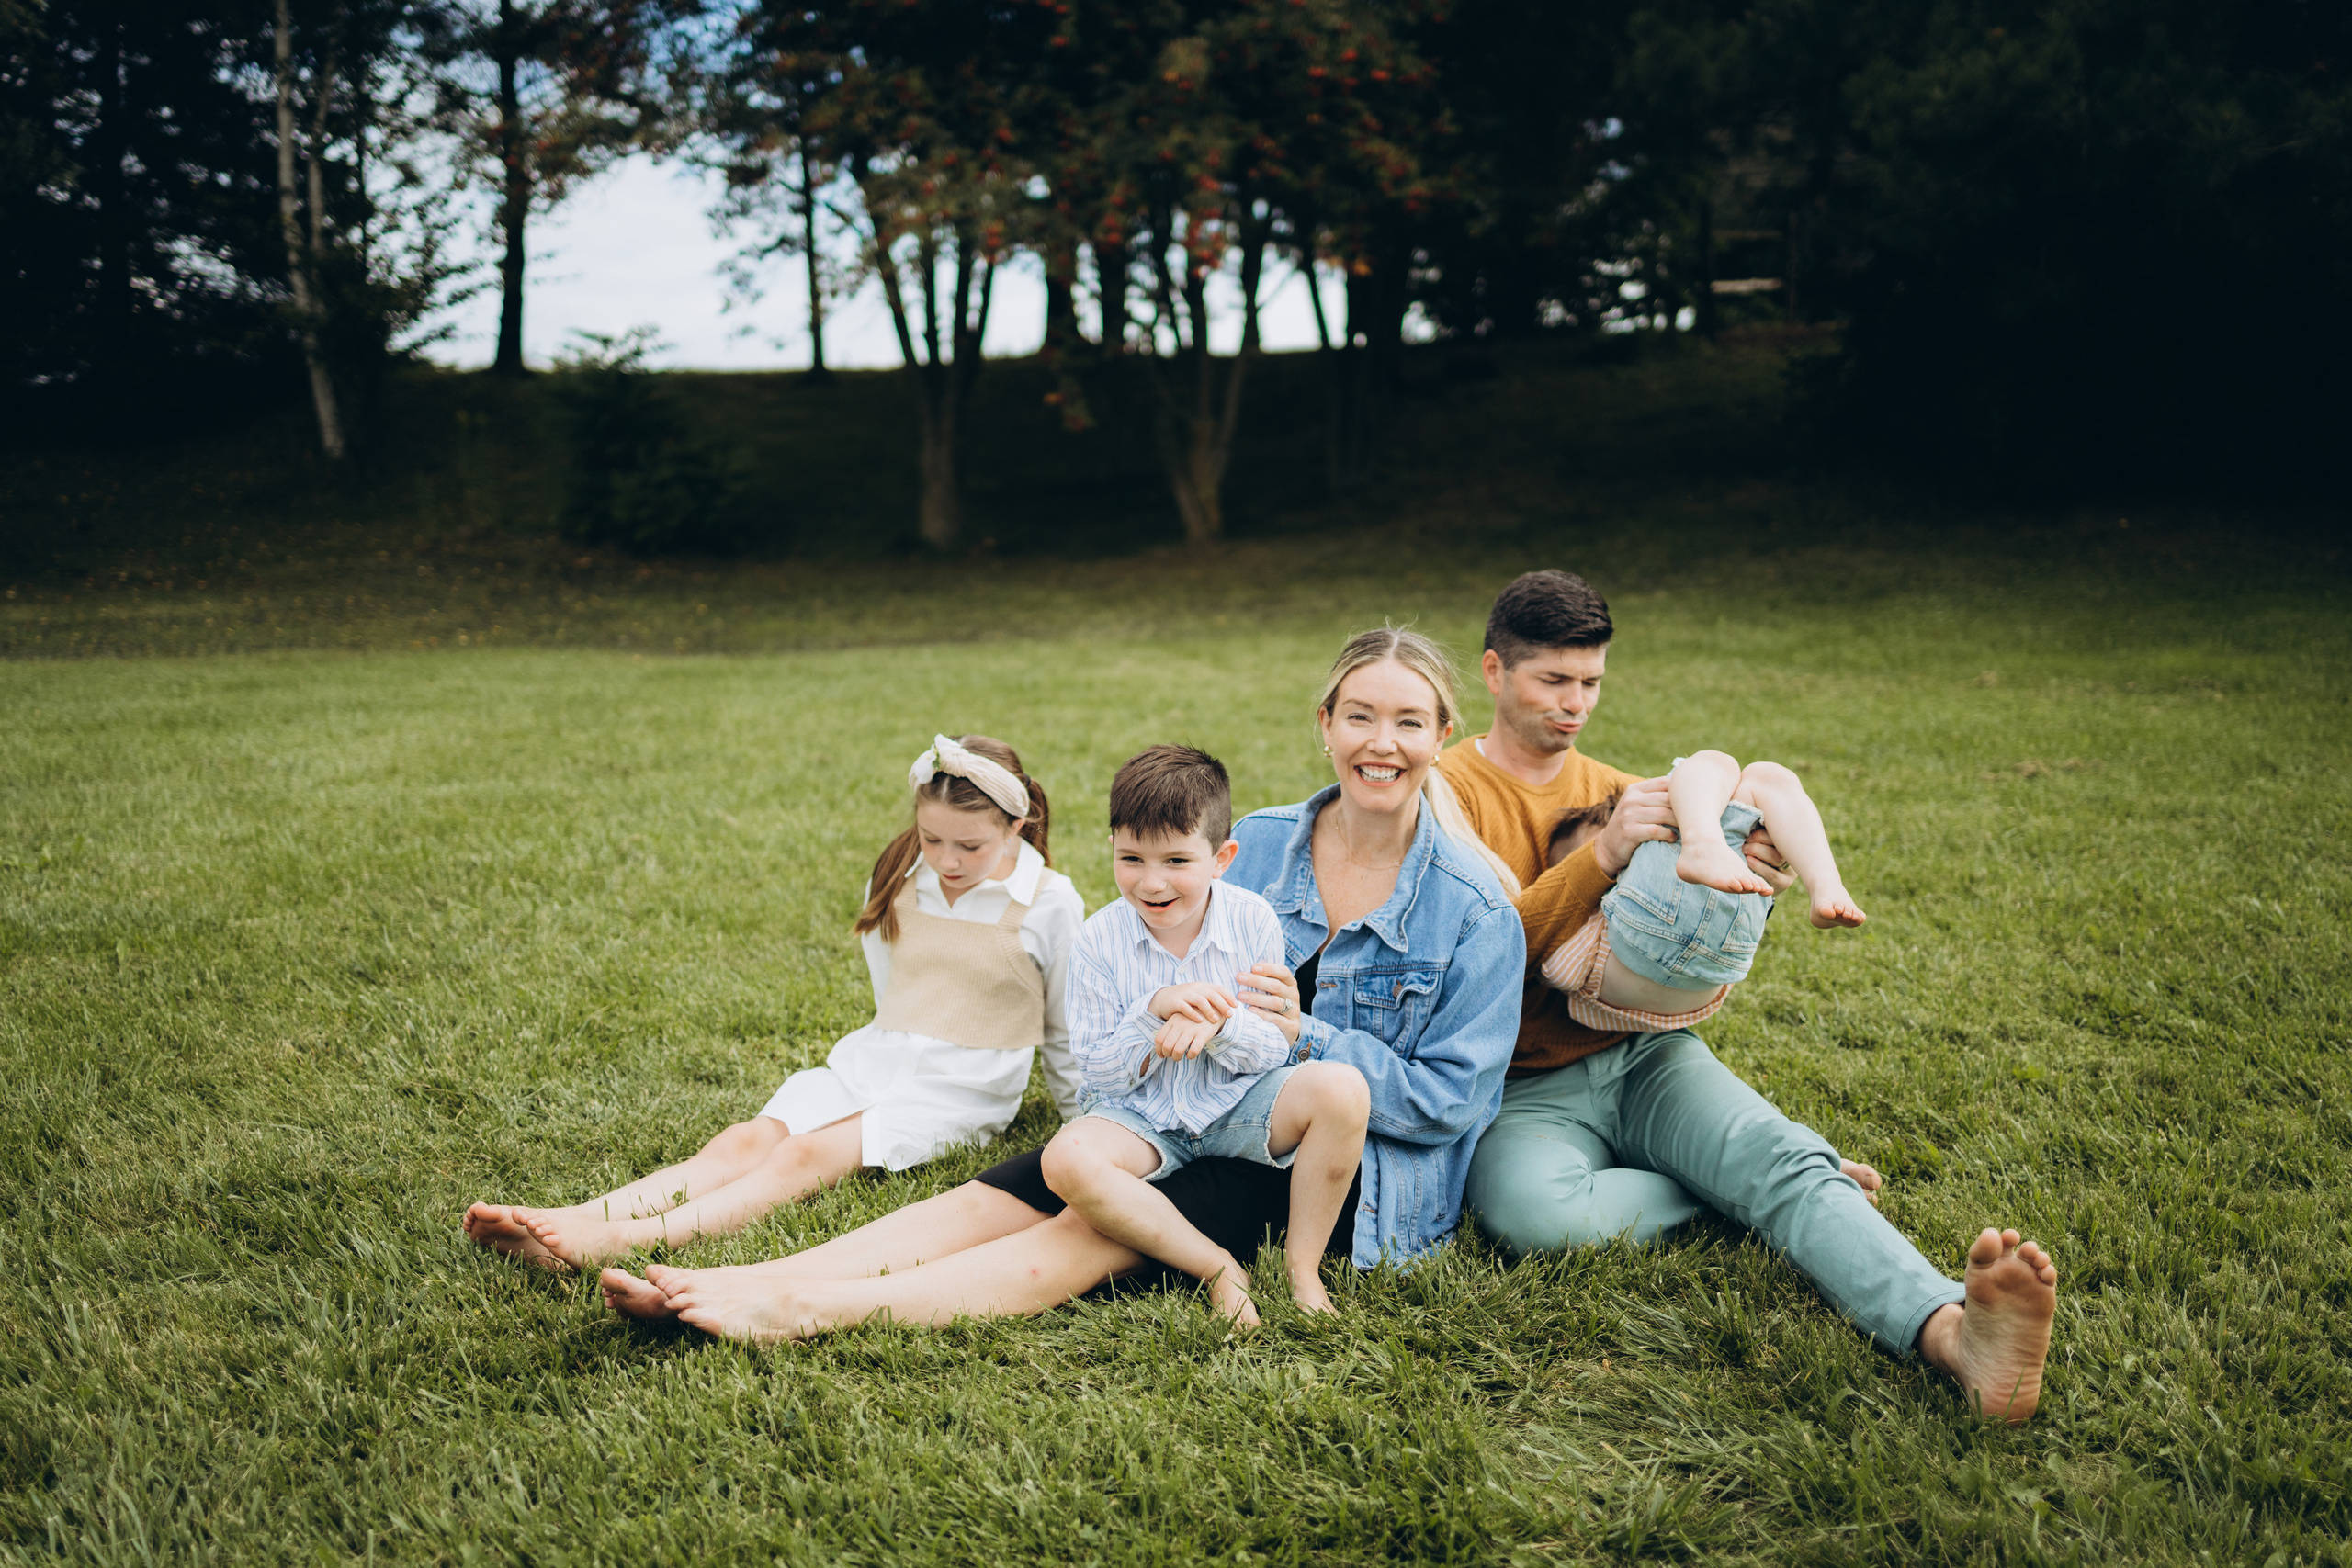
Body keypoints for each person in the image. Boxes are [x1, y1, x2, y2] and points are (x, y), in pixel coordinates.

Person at [593, 627, 1524, 1339]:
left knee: (1083, 1232)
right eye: (1359, 715)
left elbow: (1449, 1103)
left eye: (1408, 720)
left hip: (1323, 1152)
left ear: (1444, 735)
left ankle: (797, 1309)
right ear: (1325, 726)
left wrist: (1306, 1033)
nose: (1381, 741)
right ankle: (745, 1275)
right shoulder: (1261, 842)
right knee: (1017, 1183)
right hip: (1178, 1096)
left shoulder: (1476, 908)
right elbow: (1158, 962)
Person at [1440, 570, 2059, 1424]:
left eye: (1591, 682)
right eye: (1553, 680)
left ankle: (1958, 1335)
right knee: (1533, 1215)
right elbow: (1477, 958)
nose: (1574, 703)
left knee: (1772, 1156)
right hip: (1519, 1086)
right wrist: (1605, 852)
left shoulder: (1628, 785)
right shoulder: (1447, 792)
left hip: (1646, 1055)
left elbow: (1678, 960)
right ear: (1494, 672)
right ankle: (1745, 1184)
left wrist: (1747, 877)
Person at [461, 734, 1084, 1270]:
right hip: (874, 1061)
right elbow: (891, 986)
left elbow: (1062, 1026)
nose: (946, 859)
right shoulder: (899, 873)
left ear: (1016, 826)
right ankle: (567, 1218)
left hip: (963, 1089)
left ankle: (617, 1240)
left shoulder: (1051, 902)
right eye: (931, 838)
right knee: (743, 1140)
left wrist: (1082, 1120)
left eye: (969, 847)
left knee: (804, 1155)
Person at [1040, 746, 1371, 1325]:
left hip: (1237, 1103)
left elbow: (1274, 1044)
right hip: (1139, 1118)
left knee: (1343, 1088)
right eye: (1131, 858)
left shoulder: (1253, 920)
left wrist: (1220, 1026)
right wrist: (1151, 1015)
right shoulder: (1098, 940)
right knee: (1066, 1158)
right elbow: (1095, 1071)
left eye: (1176, 861)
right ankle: (1215, 1266)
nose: (1151, 881)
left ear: (1222, 858)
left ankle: (1304, 1269)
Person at [1536, 750, 1865, 1036]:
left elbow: (1556, 972)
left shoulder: (1581, 946)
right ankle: (1824, 883)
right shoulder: (1610, 908)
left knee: (1741, 776)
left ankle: (1710, 846)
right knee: (1742, 770)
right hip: (1721, 961)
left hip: (1671, 960)